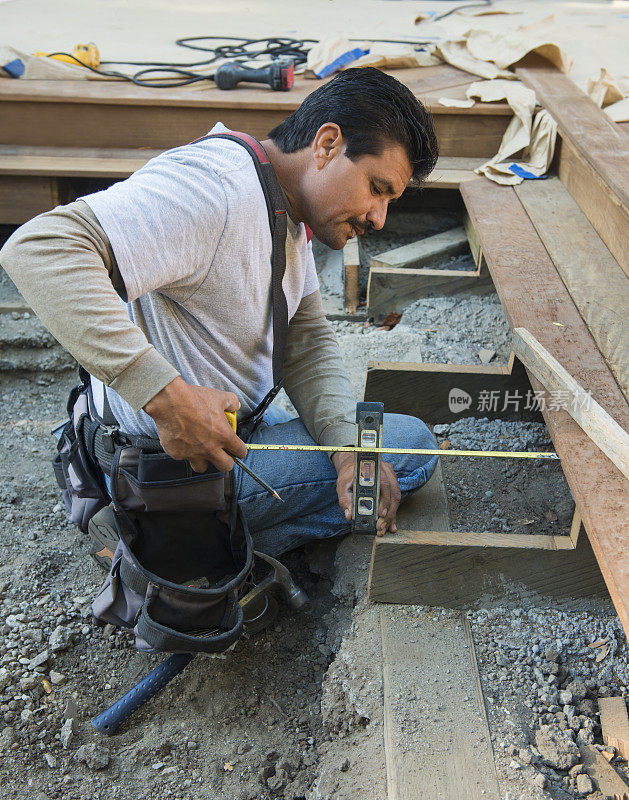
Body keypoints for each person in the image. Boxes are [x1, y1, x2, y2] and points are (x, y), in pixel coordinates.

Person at [0, 67, 439, 558]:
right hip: (160, 465)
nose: (379, 217)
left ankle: (182, 546)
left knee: (362, 450)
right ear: (328, 144)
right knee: (412, 447)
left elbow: (307, 340)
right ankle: (161, 551)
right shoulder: (217, 190)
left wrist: (345, 447)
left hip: (217, 435)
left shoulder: (286, 209)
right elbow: (39, 248)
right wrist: (167, 399)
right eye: (377, 188)